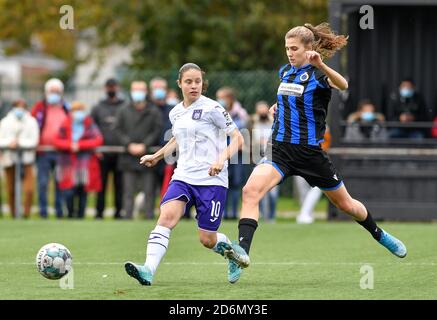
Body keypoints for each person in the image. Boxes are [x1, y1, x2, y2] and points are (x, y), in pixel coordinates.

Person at [219, 22, 407, 282]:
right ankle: (241, 256)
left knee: (346, 205)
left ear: (308, 49)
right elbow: (290, 97)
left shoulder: (319, 74)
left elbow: (343, 85)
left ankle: (379, 234)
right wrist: (276, 106)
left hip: (310, 153)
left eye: (294, 48)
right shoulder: (286, 72)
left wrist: (320, 64)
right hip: (280, 150)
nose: (289, 52)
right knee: (251, 192)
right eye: (286, 48)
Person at [124, 63, 244, 285]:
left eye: (198, 81)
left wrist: (220, 159)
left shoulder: (213, 109)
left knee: (207, 239)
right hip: (183, 176)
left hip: (211, 180)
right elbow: (177, 139)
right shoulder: (175, 112)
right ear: (179, 84)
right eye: (188, 81)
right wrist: (157, 156)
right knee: (166, 218)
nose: (194, 85)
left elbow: (238, 138)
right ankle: (148, 269)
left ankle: (232, 253)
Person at [115, 81, 163, 219]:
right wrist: (128, 144)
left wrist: (145, 146)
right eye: (135, 89)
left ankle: (149, 217)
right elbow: (118, 129)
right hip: (127, 158)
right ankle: (127, 217)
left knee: (149, 191)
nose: (138, 92)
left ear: (146, 91)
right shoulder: (123, 110)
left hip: (148, 157)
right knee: (128, 191)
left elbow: (157, 130)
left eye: (141, 89)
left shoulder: (153, 111)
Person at [53, 101, 103, 219]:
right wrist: (70, 145)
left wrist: (80, 145)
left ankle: (81, 215)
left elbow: (98, 139)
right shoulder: (65, 124)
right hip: (68, 163)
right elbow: (56, 140)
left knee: (82, 190)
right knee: (68, 191)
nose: (78, 113)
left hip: (84, 163)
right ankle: (70, 214)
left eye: (80, 110)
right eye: (76, 110)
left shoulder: (89, 124)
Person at [31, 78, 69, 218]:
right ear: (47, 92)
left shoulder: (66, 108)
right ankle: (43, 212)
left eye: (57, 91)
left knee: (60, 184)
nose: (54, 94)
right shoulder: (39, 108)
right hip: (43, 152)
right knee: (42, 183)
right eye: (52, 91)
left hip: (61, 152)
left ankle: (59, 212)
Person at [91, 78, 125, 219]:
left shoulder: (124, 106)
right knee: (101, 185)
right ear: (105, 88)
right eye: (109, 87)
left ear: (118, 87)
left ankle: (118, 212)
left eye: (113, 86)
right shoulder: (98, 108)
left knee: (119, 185)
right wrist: (96, 147)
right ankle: (99, 212)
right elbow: (92, 129)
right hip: (102, 153)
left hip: (120, 153)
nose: (111, 89)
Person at [0, 99, 39, 218]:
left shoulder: (31, 121)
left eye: (22, 107)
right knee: (11, 190)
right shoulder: (5, 122)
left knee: (29, 190)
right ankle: (13, 215)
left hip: (26, 160)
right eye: (17, 107)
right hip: (10, 159)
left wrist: (20, 143)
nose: (19, 110)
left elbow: (34, 140)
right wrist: (10, 143)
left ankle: (26, 215)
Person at [216, 87, 249, 219]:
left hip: (238, 154)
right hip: (221, 153)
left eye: (222, 97)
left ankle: (233, 213)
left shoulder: (241, 114)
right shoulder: (216, 113)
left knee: (236, 184)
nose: (219, 100)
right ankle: (221, 213)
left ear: (229, 98)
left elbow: (246, 132)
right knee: (222, 183)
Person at [294, 128, 331, 224]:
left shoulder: (323, 126)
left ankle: (304, 214)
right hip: (298, 160)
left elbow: (326, 144)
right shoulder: (296, 124)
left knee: (317, 188)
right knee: (303, 190)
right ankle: (306, 214)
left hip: (314, 161)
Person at [250, 101, 278, 222]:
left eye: (264, 110)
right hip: (259, 158)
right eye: (259, 110)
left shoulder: (273, 122)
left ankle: (272, 216)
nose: (262, 113)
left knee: (273, 191)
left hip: (274, 158)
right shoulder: (253, 124)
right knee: (261, 188)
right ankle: (263, 214)